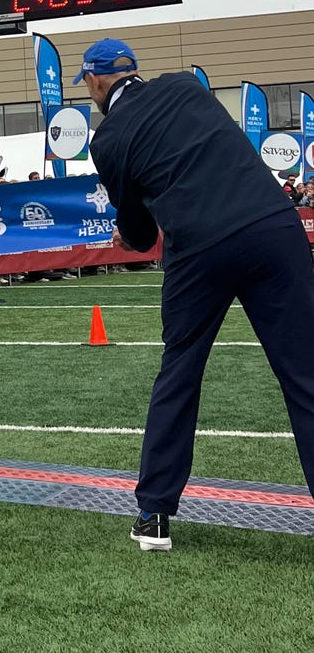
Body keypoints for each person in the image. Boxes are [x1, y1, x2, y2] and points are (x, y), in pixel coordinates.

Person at [76, 37, 314, 552]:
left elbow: (138, 230)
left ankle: (155, 514)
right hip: (272, 226)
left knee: (180, 373)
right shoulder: (187, 85)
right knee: (306, 375)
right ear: (134, 70)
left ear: (95, 80)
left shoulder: (108, 139)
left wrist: (130, 237)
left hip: (199, 247)